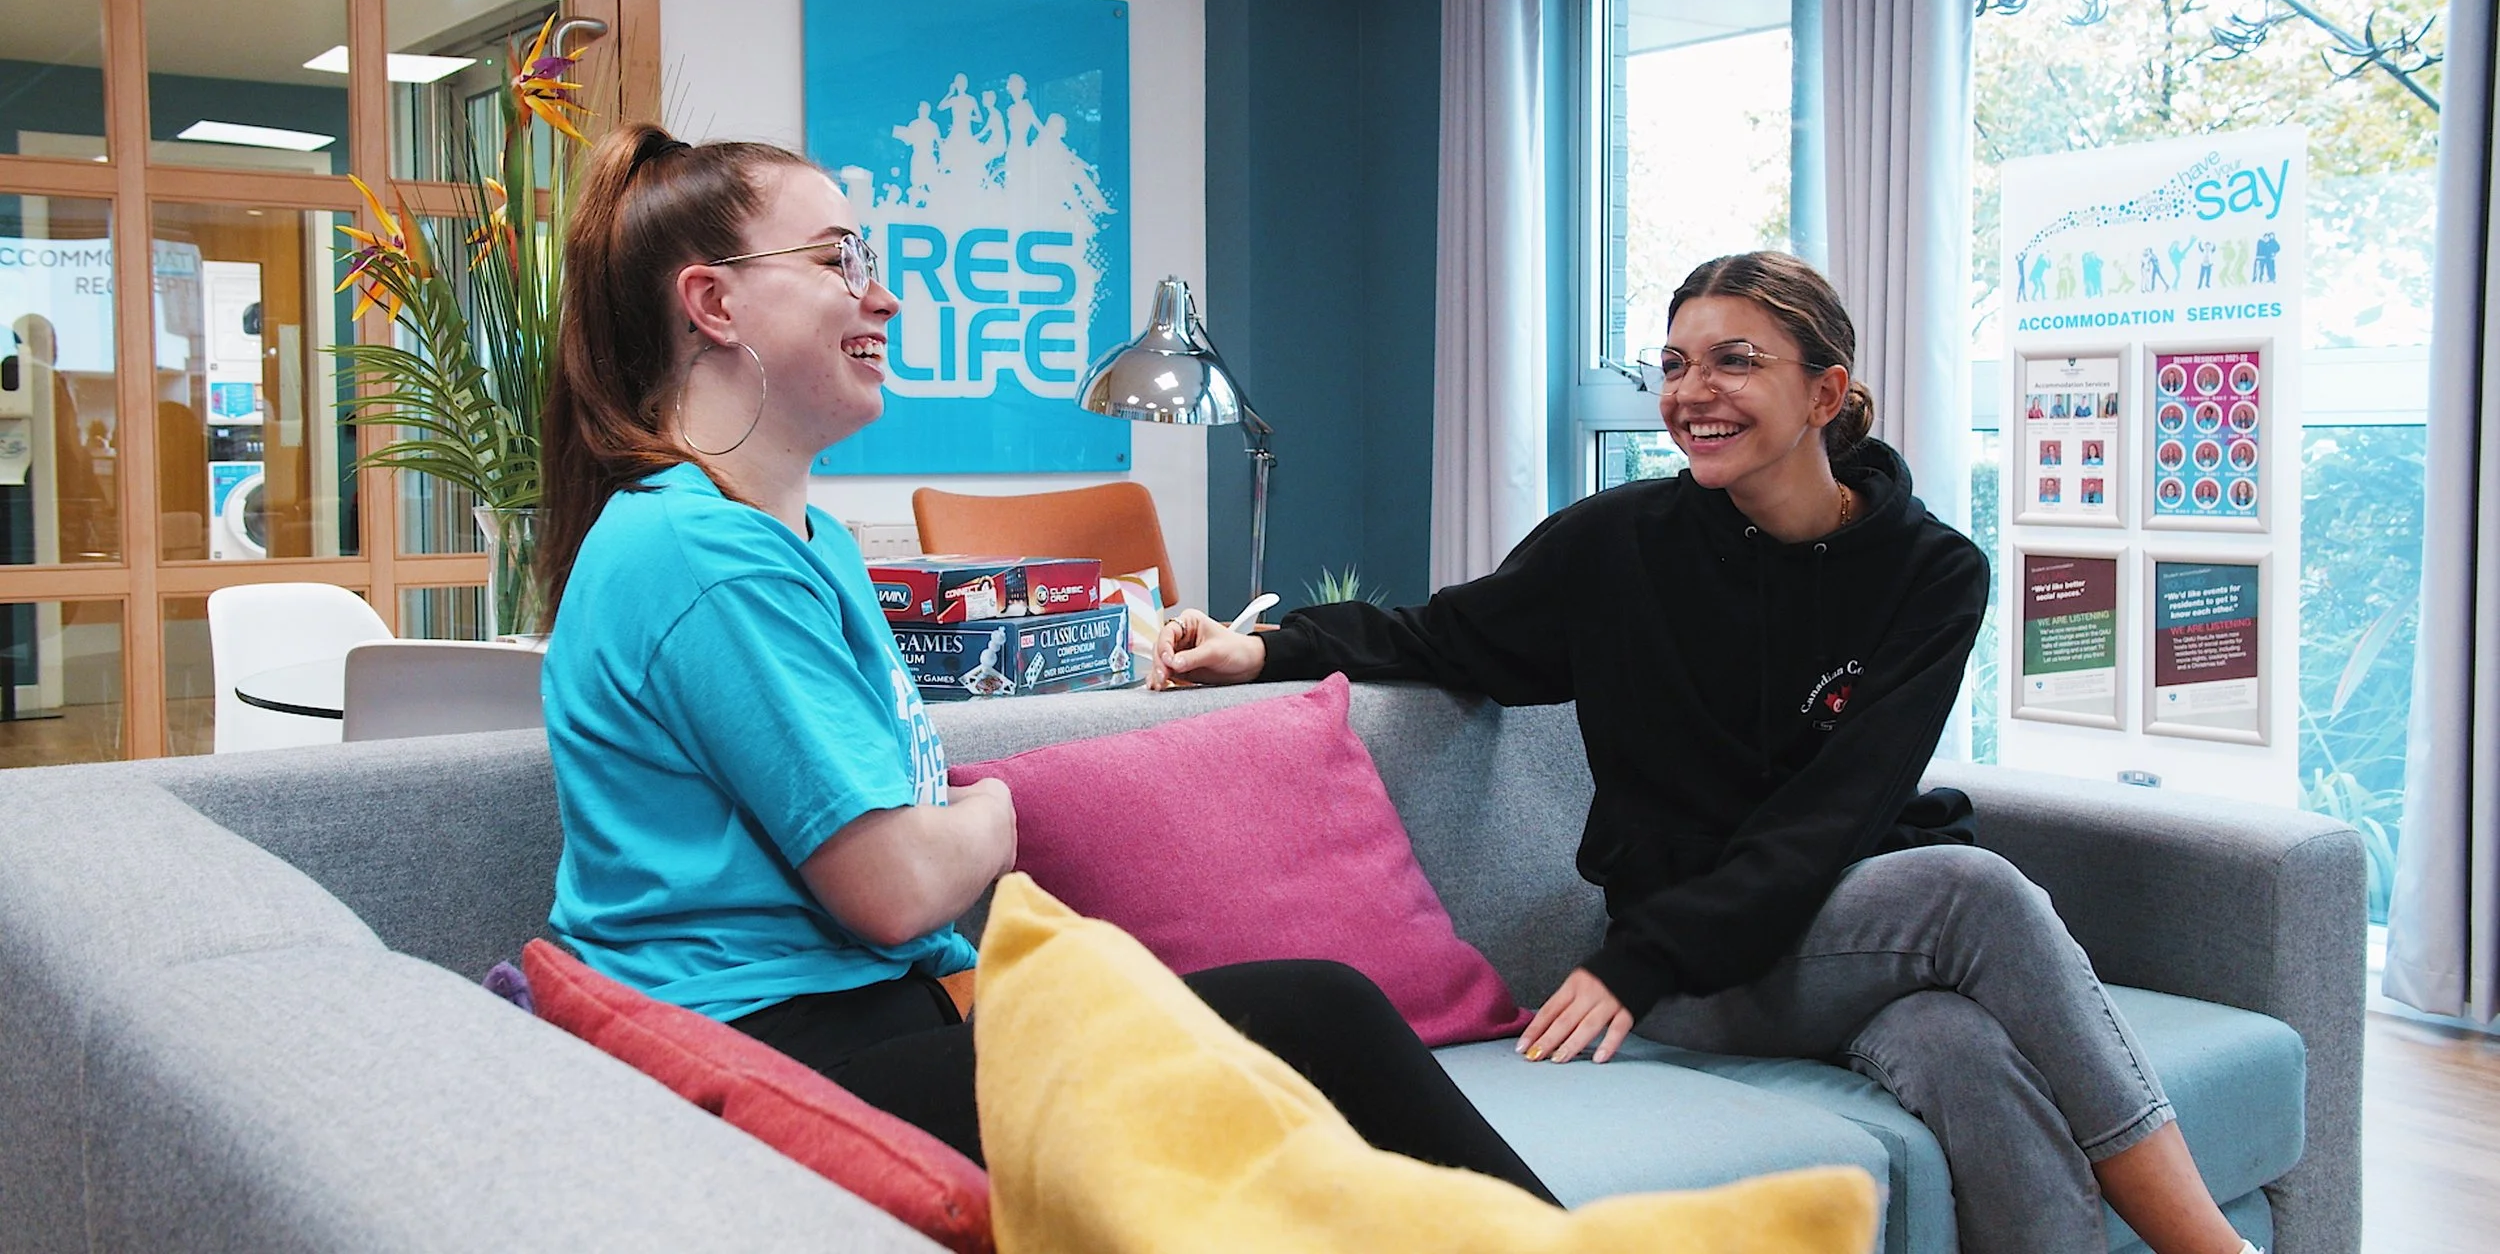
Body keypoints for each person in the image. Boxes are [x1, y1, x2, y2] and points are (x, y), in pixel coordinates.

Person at [1157, 251, 2258, 1254]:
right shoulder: (1620, 541)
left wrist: (1642, 958)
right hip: (1696, 967)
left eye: (1736, 360)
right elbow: (1446, 635)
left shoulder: (1931, 572)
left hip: (1824, 928)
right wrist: (1262, 645)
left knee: (1955, 1042)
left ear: (1825, 392)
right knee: (1973, 892)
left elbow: (1835, 812)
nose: (1692, 393)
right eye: (1675, 365)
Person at [532, 123, 1556, 1201]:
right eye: (840, 260)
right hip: (782, 1062)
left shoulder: (808, 541)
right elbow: (895, 884)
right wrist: (1000, 815)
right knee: (1318, 1015)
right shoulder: (699, 550)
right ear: (713, 302)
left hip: (870, 1021)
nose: (881, 299)